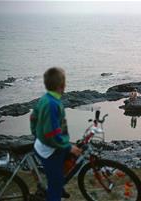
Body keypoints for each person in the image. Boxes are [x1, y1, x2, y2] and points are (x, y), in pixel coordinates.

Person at [30, 67, 82, 201]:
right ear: (62, 85)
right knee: (55, 188)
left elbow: (33, 118)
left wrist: (37, 135)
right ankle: (56, 188)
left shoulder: (45, 98)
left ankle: (58, 182)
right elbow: (51, 134)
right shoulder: (52, 104)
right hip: (49, 150)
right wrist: (68, 147)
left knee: (73, 160)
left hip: (44, 145)